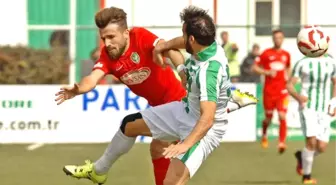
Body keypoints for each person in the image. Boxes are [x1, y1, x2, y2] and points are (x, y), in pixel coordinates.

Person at [55, 6, 257, 185]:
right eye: (103, 38)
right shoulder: (206, 46)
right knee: (129, 125)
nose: (106, 43)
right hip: (184, 109)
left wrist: (185, 145)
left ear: (192, 40)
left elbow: (207, 119)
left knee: (167, 165)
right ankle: (99, 171)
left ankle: (228, 103)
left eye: (110, 37)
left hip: (201, 128)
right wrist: (164, 46)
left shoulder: (208, 71)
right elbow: (179, 43)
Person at [287, 54, 336, 184]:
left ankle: (301, 157)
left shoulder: (331, 61)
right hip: (308, 108)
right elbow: (290, 86)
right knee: (311, 143)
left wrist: (334, 103)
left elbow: (335, 82)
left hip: (324, 109)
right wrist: (298, 97)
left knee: (322, 147)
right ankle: (307, 177)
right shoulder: (302, 63)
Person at [252, 29, 291, 153]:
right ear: (273, 39)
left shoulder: (286, 54)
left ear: (283, 39)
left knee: (282, 115)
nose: (278, 40)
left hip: (282, 91)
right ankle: (264, 134)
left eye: (280, 37)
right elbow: (254, 67)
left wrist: (288, 80)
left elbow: (288, 67)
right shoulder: (266, 54)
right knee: (268, 118)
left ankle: (281, 142)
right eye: (276, 38)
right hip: (269, 91)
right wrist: (267, 72)